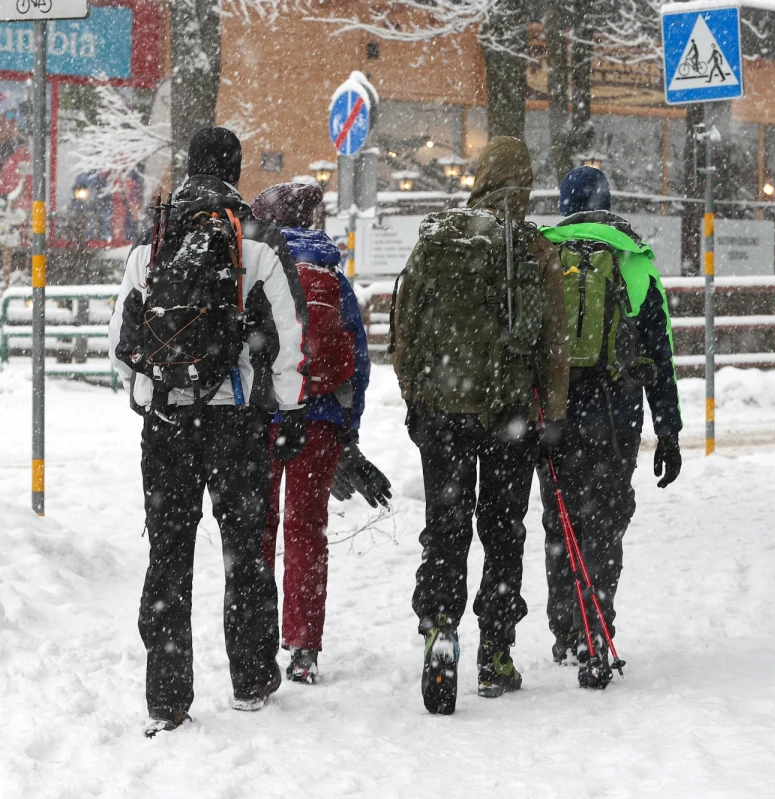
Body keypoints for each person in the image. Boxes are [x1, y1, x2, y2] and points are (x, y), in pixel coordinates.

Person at [109, 127, 310, 737]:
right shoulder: (257, 245)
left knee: (168, 556)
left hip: (169, 421)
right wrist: (289, 412)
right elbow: (289, 344)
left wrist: (153, 399)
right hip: (236, 425)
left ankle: (167, 698)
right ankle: (250, 678)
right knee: (244, 549)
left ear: (189, 168)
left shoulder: (154, 242)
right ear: (236, 170)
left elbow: (122, 346)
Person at [390, 136, 569, 715]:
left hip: (443, 413)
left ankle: (441, 626)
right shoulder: (530, 248)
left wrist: (416, 398)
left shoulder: (438, 239)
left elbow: (404, 328)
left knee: (445, 528)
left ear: (480, 177)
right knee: (502, 529)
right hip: (508, 415)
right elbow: (555, 343)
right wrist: (554, 416)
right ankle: (495, 651)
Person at [538, 166, 682, 689]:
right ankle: (595, 626)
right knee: (605, 522)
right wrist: (669, 430)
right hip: (616, 416)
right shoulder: (634, 259)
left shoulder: (544, 253)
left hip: (555, 414)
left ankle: (563, 628)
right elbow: (660, 350)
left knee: (562, 522)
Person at [250, 182, 389, 686]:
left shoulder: (257, 267)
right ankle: (304, 646)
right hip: (322, 418)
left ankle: (257, 639)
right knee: (306, 531)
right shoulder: (330, 274)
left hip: (265, 417)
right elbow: (360, 361)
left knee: (260, 528)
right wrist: (347, 429)